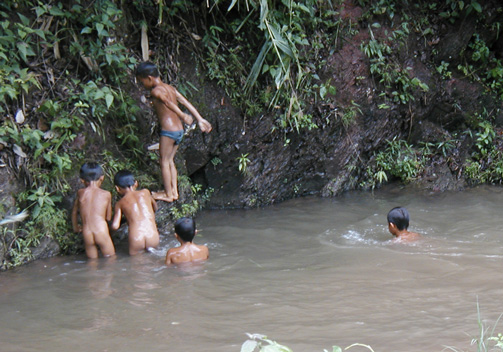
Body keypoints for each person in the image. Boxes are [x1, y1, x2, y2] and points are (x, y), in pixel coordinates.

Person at [135, 61, 212, 203]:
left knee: (164, 161)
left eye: (142, 82)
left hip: (168, 131)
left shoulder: (156, 91)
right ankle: (174, 192)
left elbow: (167, 103)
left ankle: (168, 194)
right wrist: (199, 119)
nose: (142, 85)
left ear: (149, 78)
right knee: (170, 160)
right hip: (179, 130)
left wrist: (182, 116)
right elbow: (184, 101)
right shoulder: (170, 88)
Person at [72, 162, 115, 259]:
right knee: (111, 260)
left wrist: (75, 227)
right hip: (101, 231)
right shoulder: (106, 194)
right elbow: (108, 217)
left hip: (87, 233)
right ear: (102, 178)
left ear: (82, 180)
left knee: (92, 263)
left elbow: (74, 211)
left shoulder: (80, 193)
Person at [111, 170, 160, 255]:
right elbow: (155, 207)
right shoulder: (145, 192)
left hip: (136, 238)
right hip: (152, 235)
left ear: (117, 188)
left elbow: (115, 226)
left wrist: (109, 232)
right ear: (136, 183)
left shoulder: (120, 203)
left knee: (136, 265)